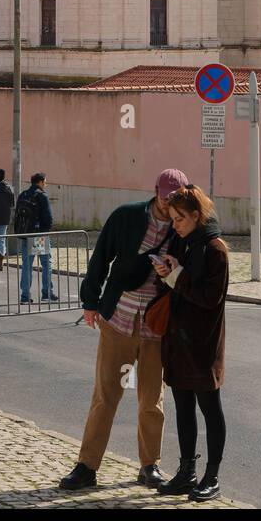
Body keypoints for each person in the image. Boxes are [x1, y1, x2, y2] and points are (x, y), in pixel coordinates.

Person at [59, 168, 187, 493]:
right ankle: (86, 466)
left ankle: (150, 466)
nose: (168, 203)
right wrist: (90, 301)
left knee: (151, 399)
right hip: (119, 319)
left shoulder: (183, 227)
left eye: (175, 198)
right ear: (155, 190)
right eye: (164, 195)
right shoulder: (126, 217)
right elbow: (100, 258)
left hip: (156, 327)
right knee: (106, 395)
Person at [153, 183, 229, 502]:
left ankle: (212, 475)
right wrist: (166, 273)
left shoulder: (215, 249)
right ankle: (187, 471)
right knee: (183, 407)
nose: (175, 225)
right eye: (172, 219)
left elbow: (211, 298)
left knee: (210, 408)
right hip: (177, 340)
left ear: (197, 216)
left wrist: (176, 277)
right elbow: (178, 287)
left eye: (180, 219)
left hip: (203, 343)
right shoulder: (183, 243)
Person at [15, 173, 55, 303]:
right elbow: (48, 218)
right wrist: (45, 231)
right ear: (41, 182)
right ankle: (47, 294)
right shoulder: (41, 196)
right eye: (45, 182)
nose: (45, 184)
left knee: (27, 265)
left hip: (26, 234)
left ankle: (25, 296)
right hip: (39, 235)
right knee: (46, 264)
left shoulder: (23, 195)